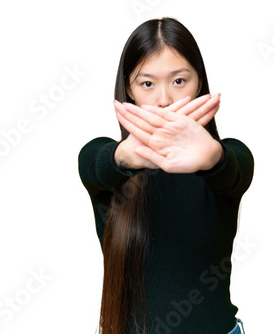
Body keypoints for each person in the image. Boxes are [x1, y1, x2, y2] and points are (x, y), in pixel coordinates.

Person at [78, 17, 254, 334]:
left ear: (199, 83)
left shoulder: (226, 158)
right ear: (129, 91)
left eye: (178, 81)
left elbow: (235, 170)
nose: (163, 100)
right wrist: (127, 156)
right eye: (147, 84)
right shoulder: (109, 162)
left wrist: (213, 157)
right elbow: (94, 164)